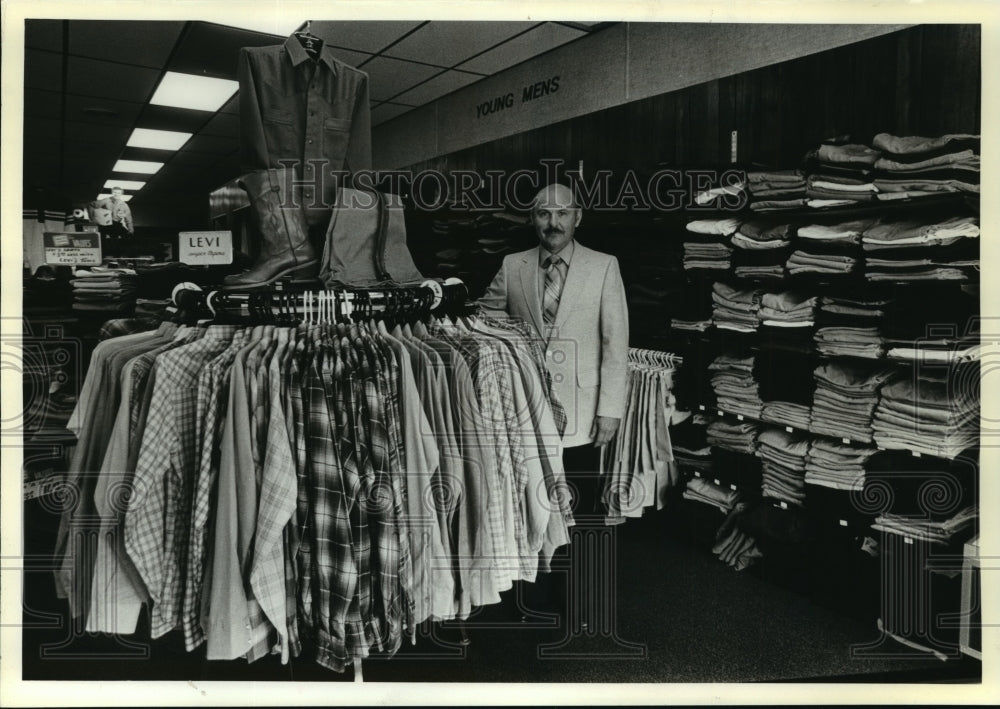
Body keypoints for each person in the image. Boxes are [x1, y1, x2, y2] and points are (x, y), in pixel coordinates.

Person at [479, 182, 629, 628]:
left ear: (577, 217)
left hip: (582, 412)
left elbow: (615, 344)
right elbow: (485, 321)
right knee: (534, 502)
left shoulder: (604, 267)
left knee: (580, 509)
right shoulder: (513, 266)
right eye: (544, 214)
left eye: (562, 214)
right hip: (527, 415)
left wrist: (611, 408)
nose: (553, 223)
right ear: (532, 219)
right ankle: (535, 598)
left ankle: (579, 603)